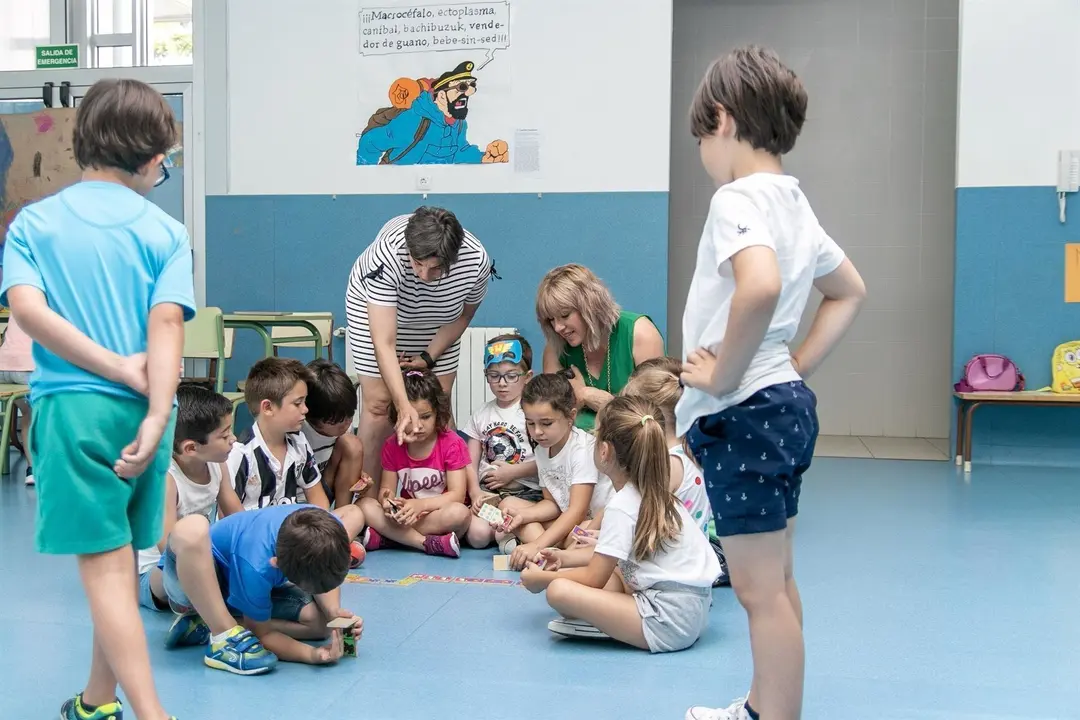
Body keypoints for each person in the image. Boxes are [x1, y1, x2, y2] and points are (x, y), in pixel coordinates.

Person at [677, 46, 867, 720]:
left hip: (746, 410)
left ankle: (772, 716)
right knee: (777, 583)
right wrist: (796, 366)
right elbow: (849, 291)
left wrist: (726, 373)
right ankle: (768, 702)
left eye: (700, 137)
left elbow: (757, 287)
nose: (702, 153)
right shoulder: (795, 204)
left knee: (758, 592)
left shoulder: (737, 198)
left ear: (722, 121)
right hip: (779, 402)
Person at [1, 78, 194, 720]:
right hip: (146, 417)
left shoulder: (35, 222)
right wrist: (160, 408)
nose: (165, 168)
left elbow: (26, 311)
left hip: (73, 413)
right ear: (145, 155)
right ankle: (96, 701)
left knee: (108, 573)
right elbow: (167, 326)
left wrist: (110, 366)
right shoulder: (166, 232)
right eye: (166, 157)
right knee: (116, 564)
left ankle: (151, 714)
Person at [521, 396, 720, 652]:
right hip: (693, 613)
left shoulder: (622, 505)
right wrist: (564, 559)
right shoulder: (655, 492)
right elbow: (617, 554)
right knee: (615, 575)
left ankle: (612, 626)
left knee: (559, 591)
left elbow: (594, 577)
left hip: (666, 621)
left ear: (604, 451)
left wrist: (543, 579)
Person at [344, 207, 492, 481]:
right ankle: (368, 499)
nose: (424, 275)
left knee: (437, 403)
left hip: (439, 320)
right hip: (379, 313)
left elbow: (464, 315)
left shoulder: (476, 262)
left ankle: (451, 496)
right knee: (379, 404)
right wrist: (401, 405)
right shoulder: (386, 254)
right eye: (417, 264)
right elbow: (384, 342)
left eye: (436, 268)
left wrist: (429, 356)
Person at [160, 503, 366, 673]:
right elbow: (263, 635)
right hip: (190, 580)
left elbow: (323, 584)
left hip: (239, 577)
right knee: (192, 527)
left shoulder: (327, 528)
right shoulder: (256, 566)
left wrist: (333, 614)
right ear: (276, 563)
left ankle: (206, 624)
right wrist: (312, 655)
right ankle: (219, 627)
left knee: (319, 624)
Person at [622, 357, 728, 586]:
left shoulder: (667, 465)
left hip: (680, 567)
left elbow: (646, 530)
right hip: (696, 557)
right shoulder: (688, 448)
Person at [139, 385, 244, 612]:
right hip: (153, 574)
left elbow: (239, 518)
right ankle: (201, 608)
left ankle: (197, 613)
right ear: (190, 448)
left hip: (197, 558)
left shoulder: (218, 465)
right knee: (207, 578)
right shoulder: (165, 479)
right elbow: (166, 545)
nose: (233, 439)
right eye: (224, 435)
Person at [497, 372, 612, 570]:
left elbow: (578, 510)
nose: (537, 431)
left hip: (592, 523)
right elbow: (552, 503)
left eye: (546, 423)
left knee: (580, 534)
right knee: (508, 504)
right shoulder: (542, 449)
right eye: (530, 423)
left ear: (571, 417)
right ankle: (550, 555)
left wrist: (535, 544)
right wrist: (523, 516)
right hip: (567, 522)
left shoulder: (582, 449)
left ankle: (545, 553)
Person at [536, 263, 665, 431]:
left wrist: (588, 396)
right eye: (551, 319)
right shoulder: (556, 345)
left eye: (565, 315)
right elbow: (549, 417)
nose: (558, 327)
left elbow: (655, 418)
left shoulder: (641, 334)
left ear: (591, 306)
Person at [358, 369, 473, 557]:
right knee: (365, 505)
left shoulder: (451, 443)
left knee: (459, 514)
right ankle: (424, 543)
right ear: (398, 414)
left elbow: (457, 496)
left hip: (437, 514)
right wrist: (387, 502)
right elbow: (385, 491)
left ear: (438, 413)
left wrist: (421, 506)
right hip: (406, 514)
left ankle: (392, 538)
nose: (417, 426)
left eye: (425, 417)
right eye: (409, 418)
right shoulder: (393, 445)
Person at [463, 334, 540, 548]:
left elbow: (550, 461)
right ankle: (507, 532)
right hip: (491, 495)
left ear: (528, 376)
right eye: (494, 375)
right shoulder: (481, 415)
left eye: (511, 376)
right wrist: (475, 492)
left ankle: (510, 533)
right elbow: (469, 462)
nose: (502, 383)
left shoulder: (533, 413)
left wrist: (513, 472)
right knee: (477, 536)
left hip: (527, 494)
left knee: (510, 515)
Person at [228, 357, 330, 511]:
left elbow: (317, 497)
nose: (305, 409)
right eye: (298, 403)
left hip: (288, 528)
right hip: (253, 531)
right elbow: (229, 520)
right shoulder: (241, 453)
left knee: (352, 513)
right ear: (268, 407)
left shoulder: (299, 442)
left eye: (305, 402)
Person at [301, 359, 368, 508]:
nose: (347, 423)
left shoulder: (343, 429)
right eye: (336, 421)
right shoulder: (298, 430)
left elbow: (342, 463)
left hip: (325, 489)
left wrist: (358, 476)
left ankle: (341, 515)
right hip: (297, 499)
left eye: (350, 415)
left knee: (352, 443)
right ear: (310, 416)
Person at [0, 311, 34, 484]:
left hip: (4, 368)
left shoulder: (18, 296)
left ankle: (32, 469)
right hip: (27, 367)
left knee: (28, 413)